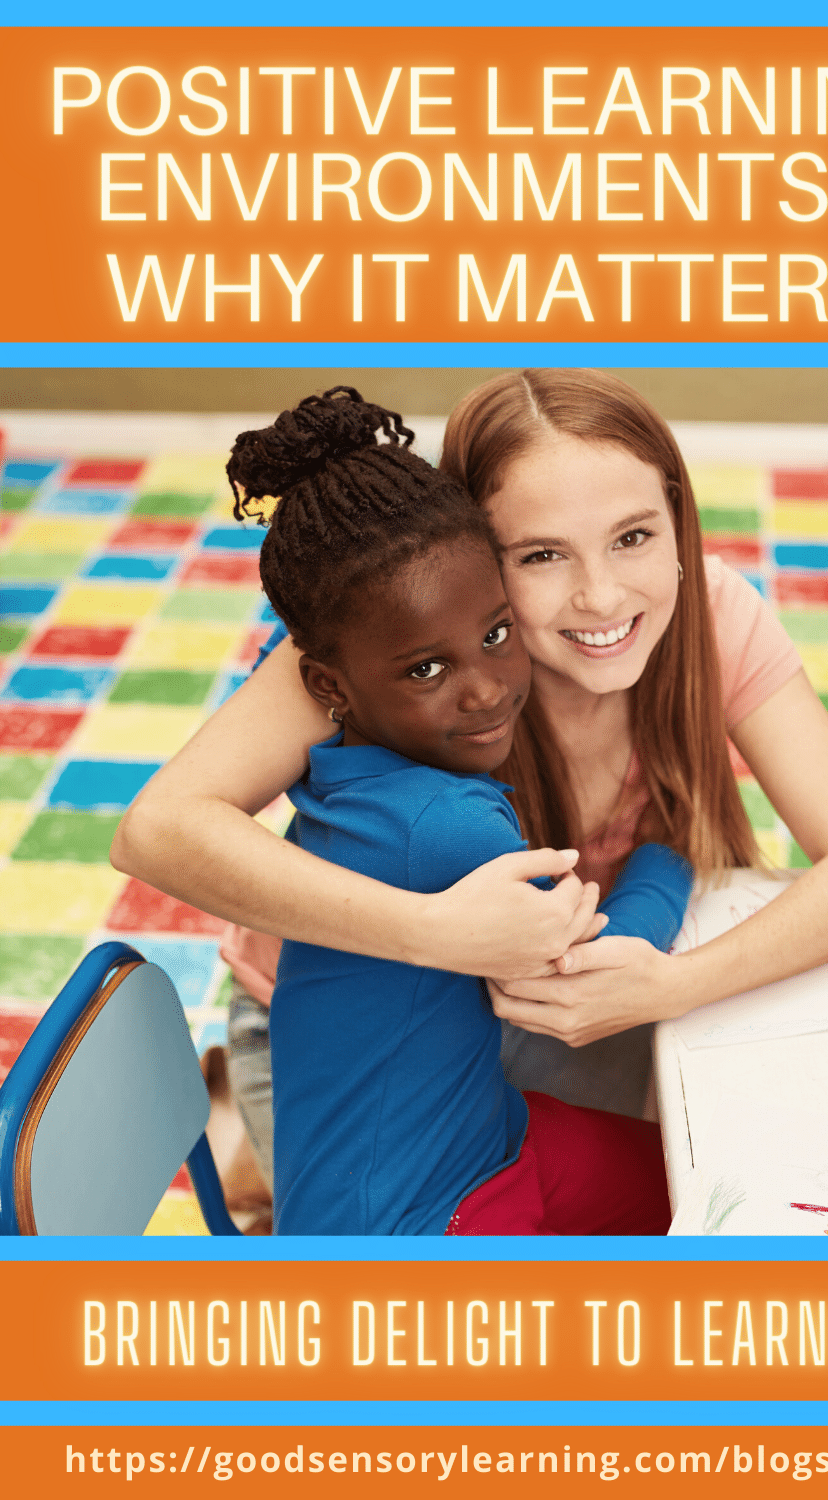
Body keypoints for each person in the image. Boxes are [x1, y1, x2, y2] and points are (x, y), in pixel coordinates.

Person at [111, 369, 828, 1180]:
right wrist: (430, 932)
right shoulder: (398, 637)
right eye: (540, 555)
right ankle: (240, 1130)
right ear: (469, 556)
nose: (602, 597)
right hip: (351, 1053)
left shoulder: (713, 615)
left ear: (678, 520)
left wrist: (675, 986)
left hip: (540, 1008)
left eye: (634, 536)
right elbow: (157, 830)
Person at [222, 386, 690, 1234]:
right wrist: (671, 851)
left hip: (489, 1130)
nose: (486, 691)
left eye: (497, 636)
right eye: (425, 671)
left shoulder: (347, 774)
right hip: (418, 1219)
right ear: (329, 687)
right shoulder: (448, 828)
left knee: (699, 1178)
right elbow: (602, 956)